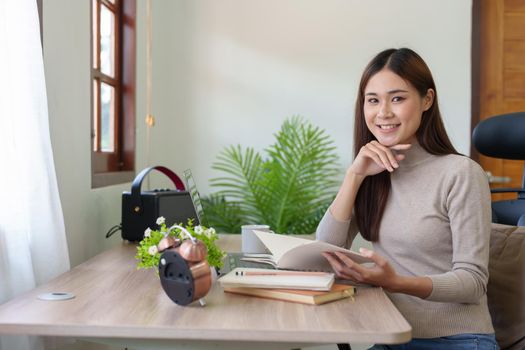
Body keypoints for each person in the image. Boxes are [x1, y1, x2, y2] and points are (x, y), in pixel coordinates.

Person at [316, 48, 498, 349]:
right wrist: (355, 176)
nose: (383, 112)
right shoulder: (371, 173)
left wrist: (396, 282)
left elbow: (473, 282)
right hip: (391, 335)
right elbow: (326, 250)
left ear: (427, 100)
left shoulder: (461, 173)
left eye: (397, 98)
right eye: (373, 100)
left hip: (458, 340)